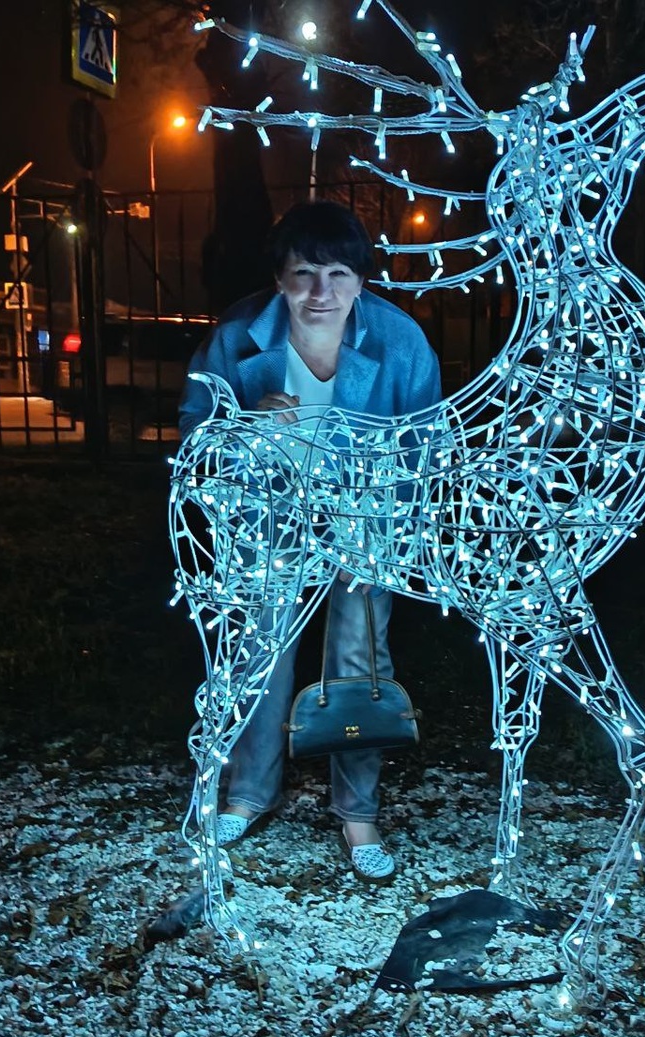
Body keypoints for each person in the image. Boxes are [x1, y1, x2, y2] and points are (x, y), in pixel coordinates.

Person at [179, 200, 442, 881]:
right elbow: (195, 430)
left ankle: (358, 812)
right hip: (267, 515)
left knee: (360, 656)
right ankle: (249, 791)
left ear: (360, 280)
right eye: (303, 273)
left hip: (363, 519)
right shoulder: (238, 337)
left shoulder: (399, 341)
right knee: (260, 648)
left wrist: (385, 530)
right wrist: (244, 427)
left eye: (338, 274)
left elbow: (426, 446)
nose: (321, 292)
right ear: (279, 278)